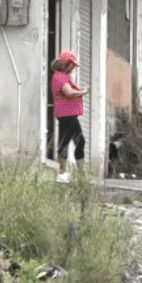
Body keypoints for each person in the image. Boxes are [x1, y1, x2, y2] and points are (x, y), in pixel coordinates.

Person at [51, 50, 90, 183]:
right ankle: (67, 173)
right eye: (72, 65)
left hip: (70, 114)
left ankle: (75, 173)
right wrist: (83, 92)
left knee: (73, 141)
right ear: (65, 63)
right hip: (66, 114)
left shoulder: (64, 76)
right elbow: (68, 92)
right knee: (69, 141)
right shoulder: (60, 77)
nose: (73, 68)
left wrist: (80, 92)